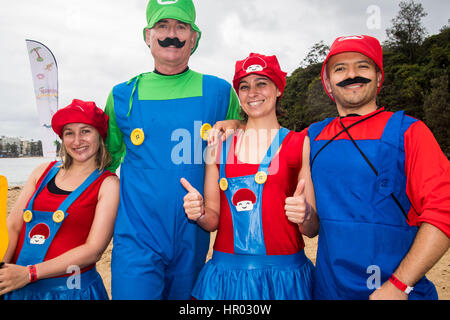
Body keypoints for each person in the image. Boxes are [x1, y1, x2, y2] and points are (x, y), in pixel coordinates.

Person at [105, 0, 241, 300]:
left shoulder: (219, 91)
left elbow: (252, 143)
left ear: (194, 39)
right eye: (162, 26)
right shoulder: (122, 95)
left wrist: (236, 124)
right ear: (147, 36)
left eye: (182, 27)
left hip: (193, 236)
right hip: (136, 238)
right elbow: (100, 166)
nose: (172, 34)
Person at [308, 35, 450, 300]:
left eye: (362, 66)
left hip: (395, 293)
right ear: (328, 82)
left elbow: (444, 210)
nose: (352, 74)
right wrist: (235, 124)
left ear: (378, 76)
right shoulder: (313, 136)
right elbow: (264, 142)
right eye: (340, 68)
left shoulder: (410, 131)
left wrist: (399, 285)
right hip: (327, 291)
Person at [181, 53, 317, 300]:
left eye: (261, 83)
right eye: (244, 86)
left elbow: (311, 229)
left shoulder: (299, 143)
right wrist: (198, 212)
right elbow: (212, 221)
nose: (252, 92)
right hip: (226, 277)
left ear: (278, 89)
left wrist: (305, 214)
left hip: (285, 278)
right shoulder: (218, 147)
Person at [0, 99, 119, 300]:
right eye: (69, 133)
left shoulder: (108, 184)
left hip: (69, 291)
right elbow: (13, 225)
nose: (77, 140)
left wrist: (30, 273)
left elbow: (93, 250)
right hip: (18, 286)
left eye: (85, 131)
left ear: (100, 135)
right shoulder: (42, 172)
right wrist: (3, 271)